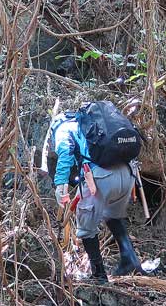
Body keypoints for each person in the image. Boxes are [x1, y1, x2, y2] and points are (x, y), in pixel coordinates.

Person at [51, 110, 145, 282]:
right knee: (113, 216)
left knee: (86, 229)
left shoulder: (62, 128)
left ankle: (99, 275)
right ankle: (130, 259)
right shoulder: (94, 124)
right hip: (127, 175)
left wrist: (60, 184)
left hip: (100, 179)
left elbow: (65, 153)